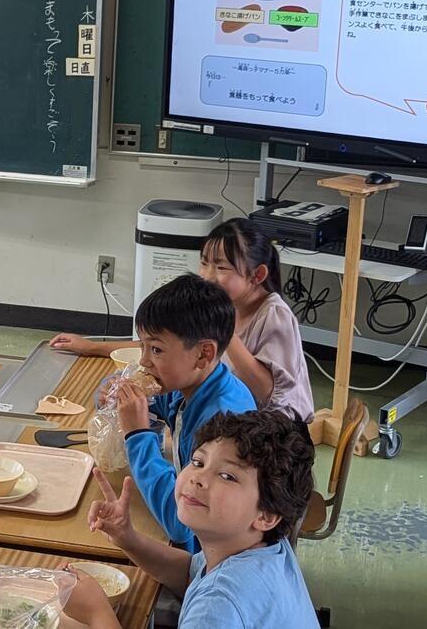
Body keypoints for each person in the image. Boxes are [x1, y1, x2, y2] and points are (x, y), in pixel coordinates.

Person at [62, 410, 319, 628]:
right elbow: (190, 573)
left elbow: (214, 599)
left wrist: (97, 612)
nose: (198, 478)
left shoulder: (217, 606)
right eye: (198, 462)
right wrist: (128, 539)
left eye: (227, 476)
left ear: (267, 516)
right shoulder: (264, 548)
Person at [49, 218, 313, 422]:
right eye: (204, 263)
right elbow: (165, 342)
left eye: (222, 267)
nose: (208, 276)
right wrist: (93, 347)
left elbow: (267, 393)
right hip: (226, 413)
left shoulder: (273, 315)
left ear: (257, 275)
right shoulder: (223, 304)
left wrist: (226, 332)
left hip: (274, 429)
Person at [117, 274, 255, 552]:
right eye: (142, 346)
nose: (144, 361)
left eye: (156, 349)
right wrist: (115, 390)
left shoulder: (221, 423)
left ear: (203, 354)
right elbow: (154, 403)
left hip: (208, 555)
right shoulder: (191, 386)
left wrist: (138, 435)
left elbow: (179, 523)